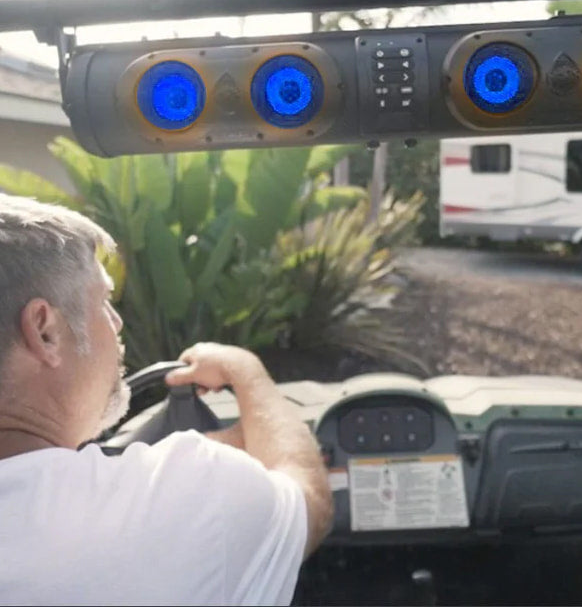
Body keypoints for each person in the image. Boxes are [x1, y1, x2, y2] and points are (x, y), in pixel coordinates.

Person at [0, 194, 333, 605]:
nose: (117, 323)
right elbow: (309, 505)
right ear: (44, 330)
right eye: (104, 302)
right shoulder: (197, 492)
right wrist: (246, 373)